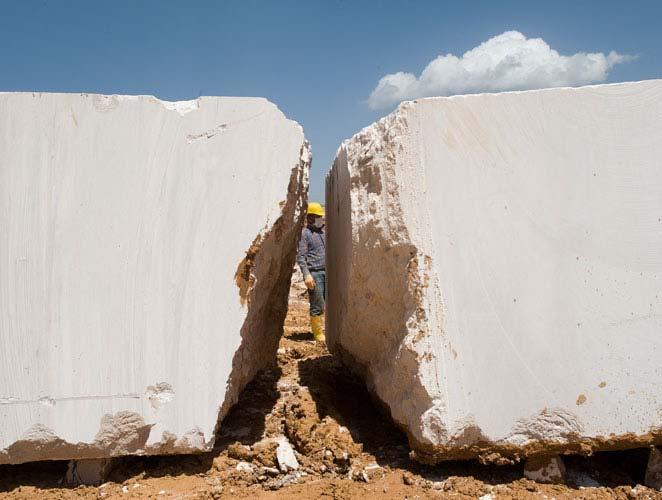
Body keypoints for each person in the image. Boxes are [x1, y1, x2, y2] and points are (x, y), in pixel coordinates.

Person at [296, 202, 326, 342]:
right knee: (317, 303)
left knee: (326, 302)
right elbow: (301, 257)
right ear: (311, 218)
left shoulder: (322, 232)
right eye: (319, 217)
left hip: (327, 272)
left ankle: (324, 330)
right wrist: (306, 274)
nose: (321, 219)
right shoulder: (305, 234)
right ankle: (318, 334)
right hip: (315, 274)